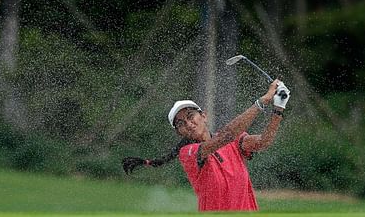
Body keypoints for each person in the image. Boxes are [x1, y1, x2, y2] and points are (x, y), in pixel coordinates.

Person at [122, 79, 291, 212]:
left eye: (191, 116)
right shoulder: (188, 153)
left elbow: (263, 142)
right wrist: (263, 101)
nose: (188, 123)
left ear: (203, 116)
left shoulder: (235, 141)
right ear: (179, 132)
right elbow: (227, 135)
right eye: (181, 123)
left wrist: (278, 108)